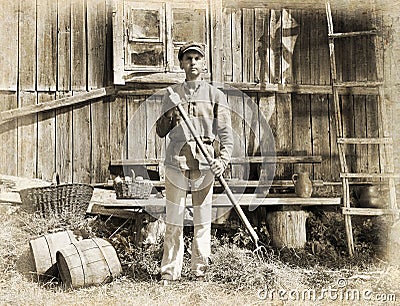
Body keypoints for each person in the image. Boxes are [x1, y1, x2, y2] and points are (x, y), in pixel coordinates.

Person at [156, 42, 234, 283]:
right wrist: (170, 114)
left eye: (196, 58)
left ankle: (199, 271)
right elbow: (160, 131)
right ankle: (170, 272)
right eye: (187, 58)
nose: (192, 62)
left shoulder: (215, 95)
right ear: (181, 63)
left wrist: (223, 160)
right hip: (176, 163)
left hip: (205, 164)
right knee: (174, 220)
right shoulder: (172, 94)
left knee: (202, 220)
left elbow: (226, 134)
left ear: (203, 63)